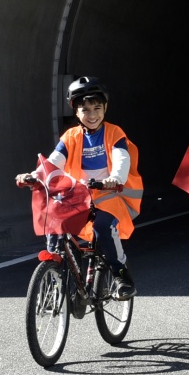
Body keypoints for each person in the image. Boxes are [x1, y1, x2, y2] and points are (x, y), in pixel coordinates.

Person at [16, 76, 142, 300]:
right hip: (78, 195)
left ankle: (122, 275)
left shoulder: (115, 133)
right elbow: (53, 164)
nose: (92, 115)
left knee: (103, 227)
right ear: (76, 112)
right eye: (85, 109)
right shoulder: (71, 137)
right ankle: (58, 274)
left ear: (105, 108)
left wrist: (115, 178)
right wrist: (33, 176)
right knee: (56, 224)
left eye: (97, 108)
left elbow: (122, 159)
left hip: (110, 193)